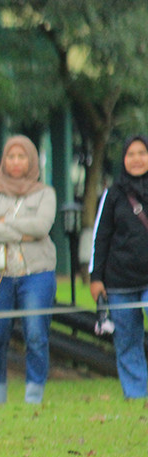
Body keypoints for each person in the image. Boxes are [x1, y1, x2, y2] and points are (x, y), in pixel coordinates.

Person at [0, 135, 57, 404]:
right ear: (3, 161)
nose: (16, 162)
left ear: (31, 160)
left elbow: (42, 227)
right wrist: (23, 228)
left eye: (22, 156)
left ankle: (34, 396)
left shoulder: (45, 193)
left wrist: (5, 222)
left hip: (37, 273)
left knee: (35, 335)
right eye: (11, 157)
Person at [89, 134, 148, 399]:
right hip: (119, 283)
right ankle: (137, 395)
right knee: (127, 342)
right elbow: (100, 238)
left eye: (142, 153)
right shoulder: (112, 194)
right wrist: (95, 277)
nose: (136, 159)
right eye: (130, 154)